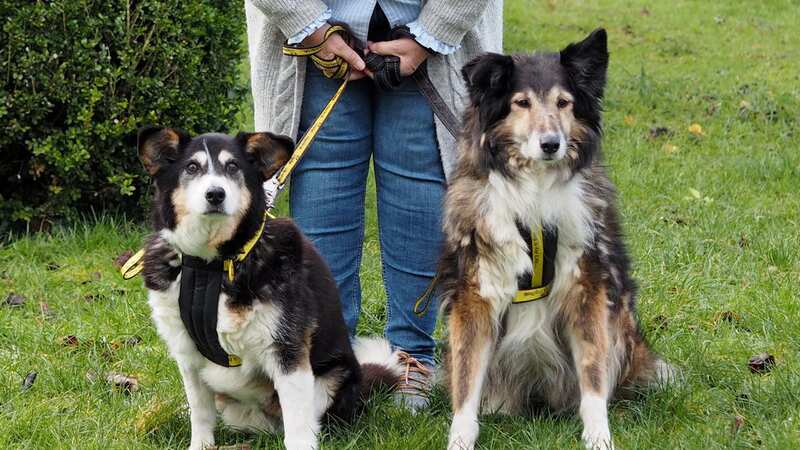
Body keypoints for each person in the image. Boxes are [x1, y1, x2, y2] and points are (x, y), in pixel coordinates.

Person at [245, 0, 503, 411]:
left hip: (430, 34)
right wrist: (307, 26)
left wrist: (434, 31)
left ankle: (413, 357)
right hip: (312, 36)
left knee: (419, 178)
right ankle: (325, 358)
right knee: (322, 186)